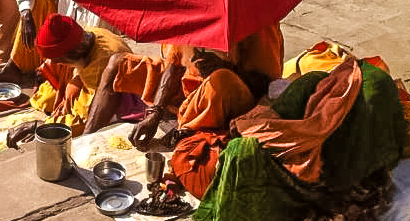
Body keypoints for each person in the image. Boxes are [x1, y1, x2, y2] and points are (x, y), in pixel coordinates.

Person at [84, 25, 284, 149]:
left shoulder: (258, 24)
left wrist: (227, 67)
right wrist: (155, 113)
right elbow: (174, 65)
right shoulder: (188, 10)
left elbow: (268, 85)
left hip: (227, 96)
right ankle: (85, 140)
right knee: (118, 63)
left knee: (221, 79)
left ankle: (186, 132)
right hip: (187, 91)